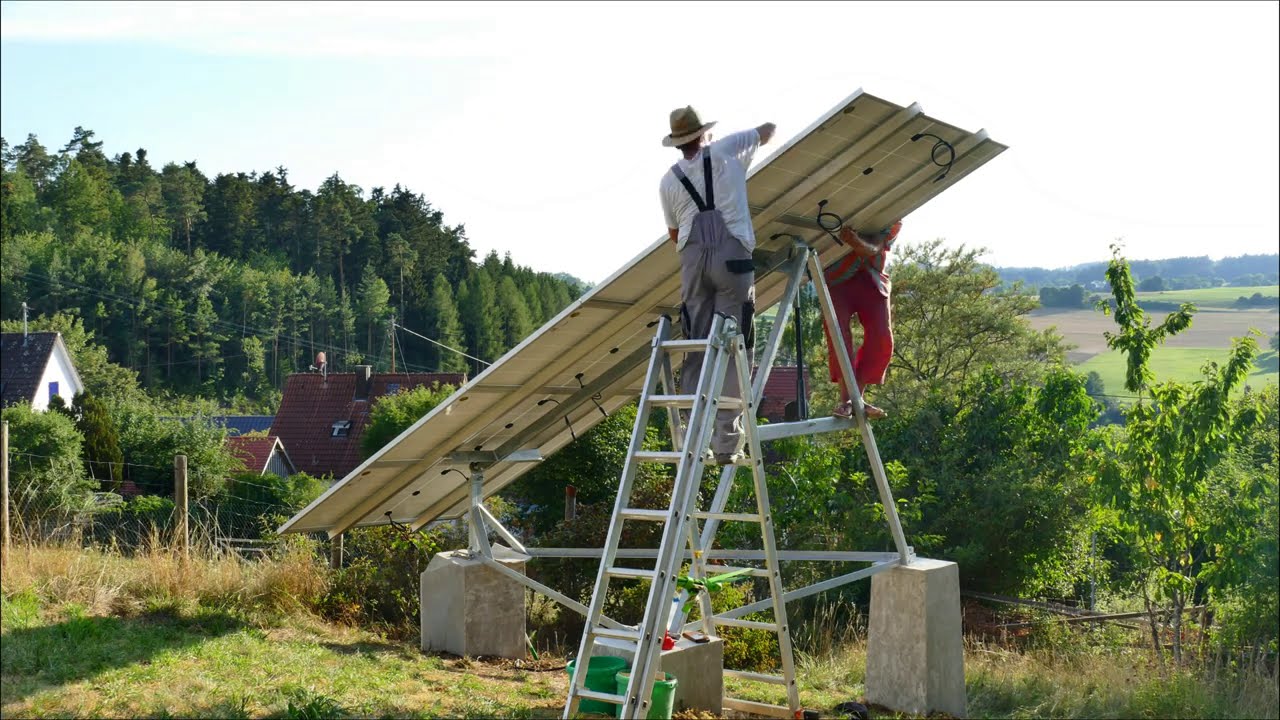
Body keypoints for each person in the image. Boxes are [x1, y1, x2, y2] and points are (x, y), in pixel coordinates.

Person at [659, 106, 775, 464]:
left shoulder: (668, 180)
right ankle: (727, 443)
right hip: (732, 258)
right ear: (702, 134)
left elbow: (674, 234)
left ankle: (694, 438)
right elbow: (768, 129)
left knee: (697, 346)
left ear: (678, 144)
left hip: (694, 264)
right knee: (733, 345)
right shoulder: (727, 150)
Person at [821, 220, 903, 421]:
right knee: (837, 334)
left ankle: (855, 399)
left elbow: (875, 247)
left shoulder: (894, 214)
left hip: (872, 280)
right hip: (836, 278)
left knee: (882, 337)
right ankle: (847, 399)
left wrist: (855, 242)